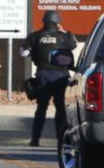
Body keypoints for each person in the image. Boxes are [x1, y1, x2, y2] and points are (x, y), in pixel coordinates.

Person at [21, 10, 77, 147]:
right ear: (58, 23)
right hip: (61, 77)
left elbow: (23, 53)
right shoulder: (64, 37)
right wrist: (64, 32)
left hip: (43, 76)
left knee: (41, 108)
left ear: (44, 21)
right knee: (60, 108)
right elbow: (73, 45)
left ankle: (35, 140)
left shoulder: (35, 36)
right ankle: (60, 139)